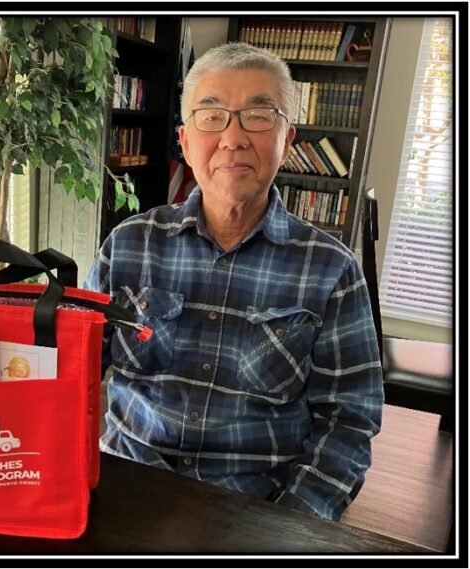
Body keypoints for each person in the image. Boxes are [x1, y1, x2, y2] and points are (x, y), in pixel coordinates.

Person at [85, 42, 383, 521]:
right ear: (184, 141)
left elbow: (347, 422)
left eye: (258, 116)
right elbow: (73, 370)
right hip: (127, 486)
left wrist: (285, 532)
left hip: (256, 507)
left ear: (288, 140)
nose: (233, 137)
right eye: (212, 115)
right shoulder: (128, 245)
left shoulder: (331, 270)